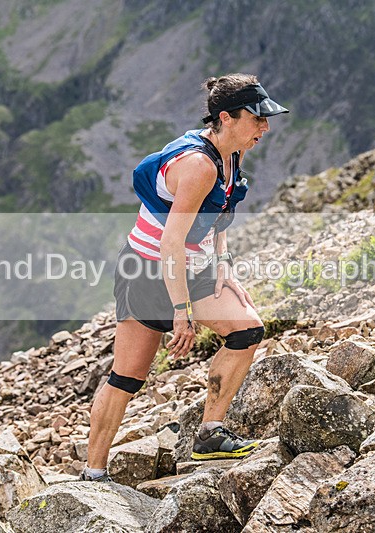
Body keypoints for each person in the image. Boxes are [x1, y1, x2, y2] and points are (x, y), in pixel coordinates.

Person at [80, 73, 289, 482]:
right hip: (146, 269)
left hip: (192, 266)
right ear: (226, 118)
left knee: (247, 329)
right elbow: (170, 244)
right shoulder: (197, 165)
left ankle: (209, 435)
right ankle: (93, 474)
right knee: (127, 377)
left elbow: (222, 211)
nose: (265, 127)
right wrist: (181, 312)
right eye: (257, 118)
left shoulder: (231, 153)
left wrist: (223, 264)